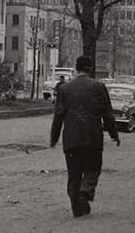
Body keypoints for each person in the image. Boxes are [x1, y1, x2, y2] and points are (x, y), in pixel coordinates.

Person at [50, 54, 120, 218]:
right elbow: (108, 115)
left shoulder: (64, 89)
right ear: (90, 68)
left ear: (76, 68)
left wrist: (54, 138)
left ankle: (76, 206)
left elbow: (58, 116)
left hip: (71, 139)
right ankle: (85, 191)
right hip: (92, 138)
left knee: (73, 173)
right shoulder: (99, 86)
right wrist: (114, 134)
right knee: (93, 168)